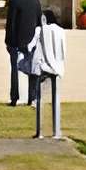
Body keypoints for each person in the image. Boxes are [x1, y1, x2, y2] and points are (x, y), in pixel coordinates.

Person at [1, 0, 44, 106]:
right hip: (32, 40)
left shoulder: (14, 0)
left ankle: (16, 97)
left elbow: (11, 23)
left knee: (16, 70)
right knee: (32, 69)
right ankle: (32, 97)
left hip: (16, 40)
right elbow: (39, 22)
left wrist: (8, 41)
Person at [27, 9, 67, 139]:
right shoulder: (61, 31)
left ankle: (40, 132)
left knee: (40, 99)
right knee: (56, 98)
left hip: (43, 66)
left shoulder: (40, 30)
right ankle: (56, 132)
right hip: (57, 67)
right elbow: (63, 50)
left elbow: (30, 46)